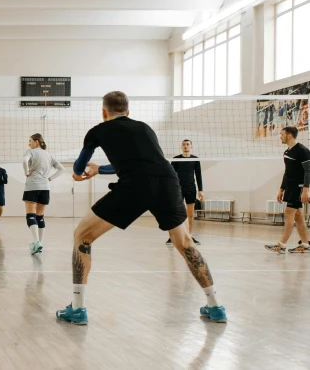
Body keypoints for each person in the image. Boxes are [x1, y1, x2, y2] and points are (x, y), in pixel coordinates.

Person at [56, 91, 226, 325]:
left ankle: (77, 308)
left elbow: (78, 168)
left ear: (104, 112)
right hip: (168, 182)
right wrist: (102, 170)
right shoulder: (146, 128)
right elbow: (141, 162)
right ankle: (215, 306)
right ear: (128, 111)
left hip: (134, 186)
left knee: (82, 236)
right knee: (185, 243)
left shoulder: (97, 130)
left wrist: (82, 172)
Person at [264, 126, 310, 254]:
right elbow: (287, 173)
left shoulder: (303, 151)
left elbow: (308, 171)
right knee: (298, 216)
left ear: (289, 135)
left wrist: (306, 190)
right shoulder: (287, 153)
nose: (280, 136)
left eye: (282, 134)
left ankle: (282, 245)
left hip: (299, 187)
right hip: (290, 187)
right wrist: (281, 189)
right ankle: (306, 244)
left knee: (289, 213)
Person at [23, 133, 66, 254]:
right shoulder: (49, 155)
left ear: (37, 141)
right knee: (40, 217)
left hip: (32, 186)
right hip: (45, 187)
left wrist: (26, 172)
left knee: (30, 216)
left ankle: (36, 242)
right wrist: (50, 179)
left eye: (30, 141)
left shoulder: (30, 152)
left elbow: (24, 161)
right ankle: (40, 243)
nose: (29, 143)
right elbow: (62, 169)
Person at [166, 140, 204, 246]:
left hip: (191, 189)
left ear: (191, 146)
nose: (185, 146)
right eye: (183, 144)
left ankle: (189, 235)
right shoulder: (176, 159)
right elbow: (171, 175)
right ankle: (172, 237)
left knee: (190, 214)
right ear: (181, 147)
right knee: (175, 213)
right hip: (178, 188)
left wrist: (200, 190)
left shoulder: (195, 159)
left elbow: (198, 175)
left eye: (187, 144)